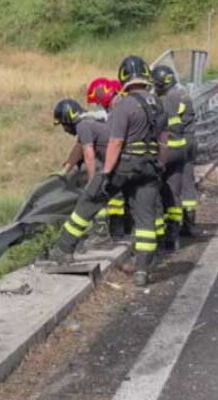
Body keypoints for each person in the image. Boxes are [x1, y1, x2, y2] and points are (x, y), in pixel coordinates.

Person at [49, 56, 165, 287]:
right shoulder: (157, 103)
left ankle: (64, 248)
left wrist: (105, 174)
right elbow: (164, 139)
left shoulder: (124, 104)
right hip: (150, 167)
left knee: (90, 200)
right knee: (145, 219)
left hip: (126, 164)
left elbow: (115, 142)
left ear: (123, 77)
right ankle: (142, 270)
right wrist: (159, 165)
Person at [54, 99, 114, 248]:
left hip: (117, 164)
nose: (64, 130)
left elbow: (88, 154)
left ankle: (102, 235)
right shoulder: (88, 123)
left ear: (69, 120)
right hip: (117, 162)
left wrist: (92, 181)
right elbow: (78, 148)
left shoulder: (83, 126)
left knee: (93, 195)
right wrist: (64, 170)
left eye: (63, 124)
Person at [152, 65, 195, 251]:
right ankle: (179, 230)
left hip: (170, 149)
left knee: (161, 191)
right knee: (182, 187)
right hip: (185, 145)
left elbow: (162, 127)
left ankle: (163, 235)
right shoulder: (183, 94)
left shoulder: (169, 99)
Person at [87, 77, 131, 238]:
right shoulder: (123, 104)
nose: (99, 106)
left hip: (126, 160)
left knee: (116, 193)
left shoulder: (118, 109)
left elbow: (116, 139)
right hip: (138, 158)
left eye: (98, 102)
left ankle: (117, 230)